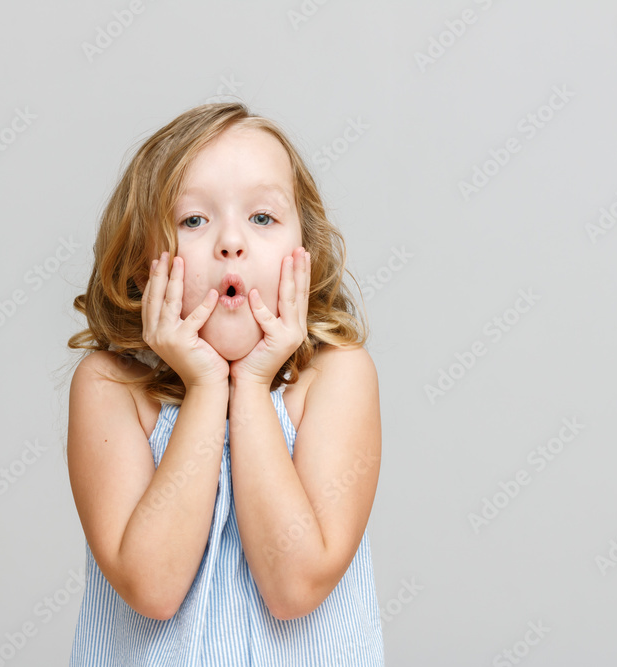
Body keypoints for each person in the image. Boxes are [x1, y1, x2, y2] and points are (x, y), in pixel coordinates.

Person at [64, 102, 384, 665]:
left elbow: (295, 588)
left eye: (262, 218)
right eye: (193, 220)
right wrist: (209, 387)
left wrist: (254, 384)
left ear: (301, 254)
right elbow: (153, 588)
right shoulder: (109, 387)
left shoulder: (337, 377)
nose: (230, 243)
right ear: (144, 264)